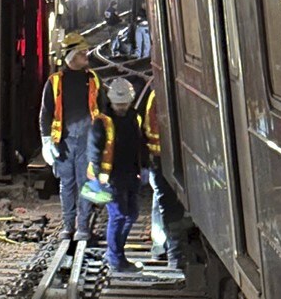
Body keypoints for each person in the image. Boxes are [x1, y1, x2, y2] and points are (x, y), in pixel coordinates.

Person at [40, 33, 105, 240]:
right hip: (64, 142)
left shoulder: (93, 79)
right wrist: (46, 141)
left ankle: (83, 228)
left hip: (88, 141)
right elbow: (46, 113)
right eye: (82, 52)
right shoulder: (55, 82)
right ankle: (69, 226)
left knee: (85, 183)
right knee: (67, 183)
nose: (86, 55)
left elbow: (103, 111)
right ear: (71, 55)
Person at [87, 78, 144, 272]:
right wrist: (100, 176)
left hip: (130, 173)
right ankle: (115, 258)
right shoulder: (102, 122)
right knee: (119, 215)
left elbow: (138, 143)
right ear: (112, 101)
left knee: (131, 214)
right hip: (111, 176)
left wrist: (143, 167)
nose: (121, 107)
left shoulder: (133, 117)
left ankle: (115, 252)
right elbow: (94, 152)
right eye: (119, 104)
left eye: (125, 104)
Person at [144, 89, 186, 269]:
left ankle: (162, 246)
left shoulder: (156, 96)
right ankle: (173, 255)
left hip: (161, 159)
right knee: (167, 204)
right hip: (162, 160)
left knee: (161, 201)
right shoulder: (158, 96)